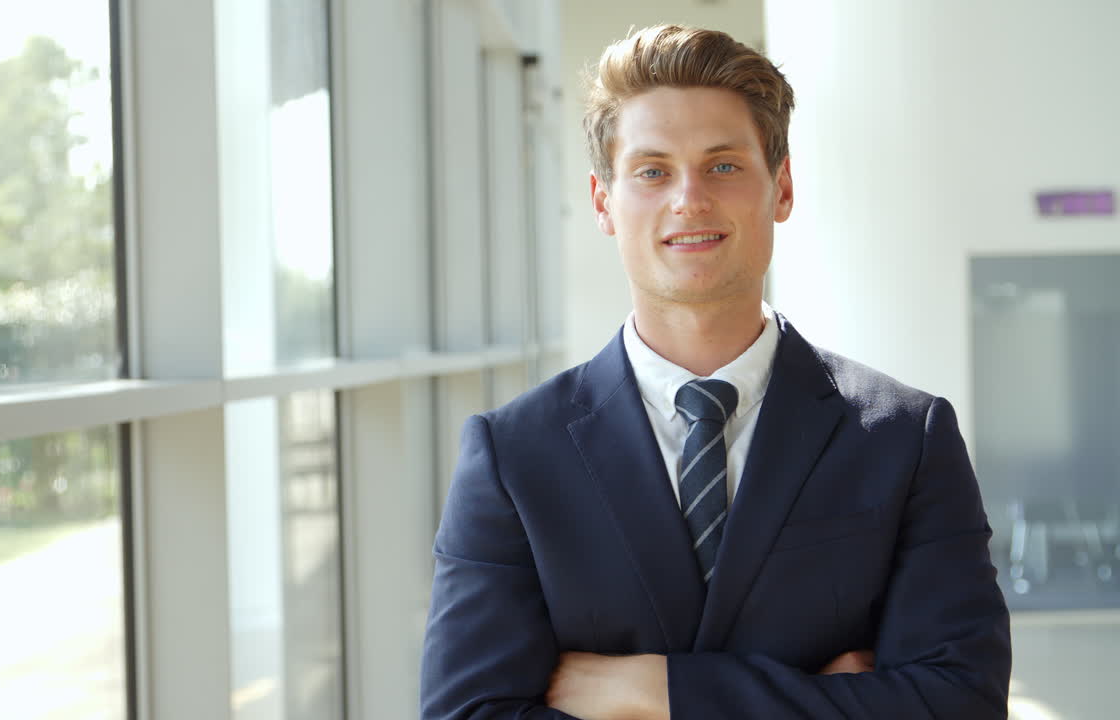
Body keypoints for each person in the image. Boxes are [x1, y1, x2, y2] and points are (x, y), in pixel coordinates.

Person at [419, 24, 1011, 720]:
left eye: (723, 164)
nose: (688, 198)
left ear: (781, 187)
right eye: (652, 170)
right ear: (603, 200)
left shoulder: (905, 437)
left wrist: (654, 693)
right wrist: (834, 696)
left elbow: (961, 703)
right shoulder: (514, 457)